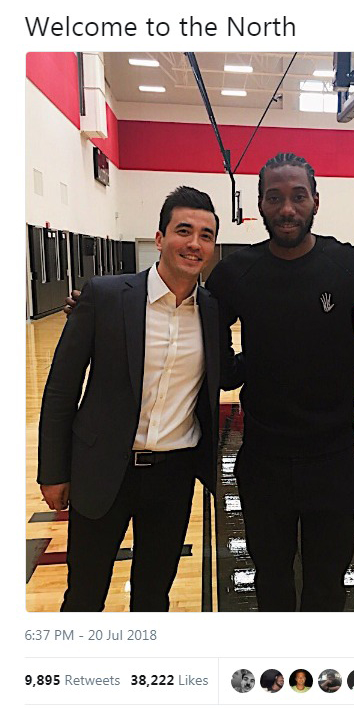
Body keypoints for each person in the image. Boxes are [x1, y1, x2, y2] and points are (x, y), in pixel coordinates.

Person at [205, 152, 354, 611]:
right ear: (260, 205)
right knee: (271, 583)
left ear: (315, 202)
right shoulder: (236, 273)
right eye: (275, 198)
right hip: (263, 461)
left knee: (328, 586)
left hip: (333, 460)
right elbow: (198, 321)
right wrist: (238, 368)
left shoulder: (350, 265)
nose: (287, 209)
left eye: (298, 197)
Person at [38, 187, 228, 611]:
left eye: (206, 235)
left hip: (174, 475)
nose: (194, 244)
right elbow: (61, 390)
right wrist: (53, 472)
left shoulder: (214, 311)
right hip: (104, 469)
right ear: (159, 238)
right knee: (84, 596)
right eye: (184, 231)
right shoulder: (105, 297)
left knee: (153, 597)